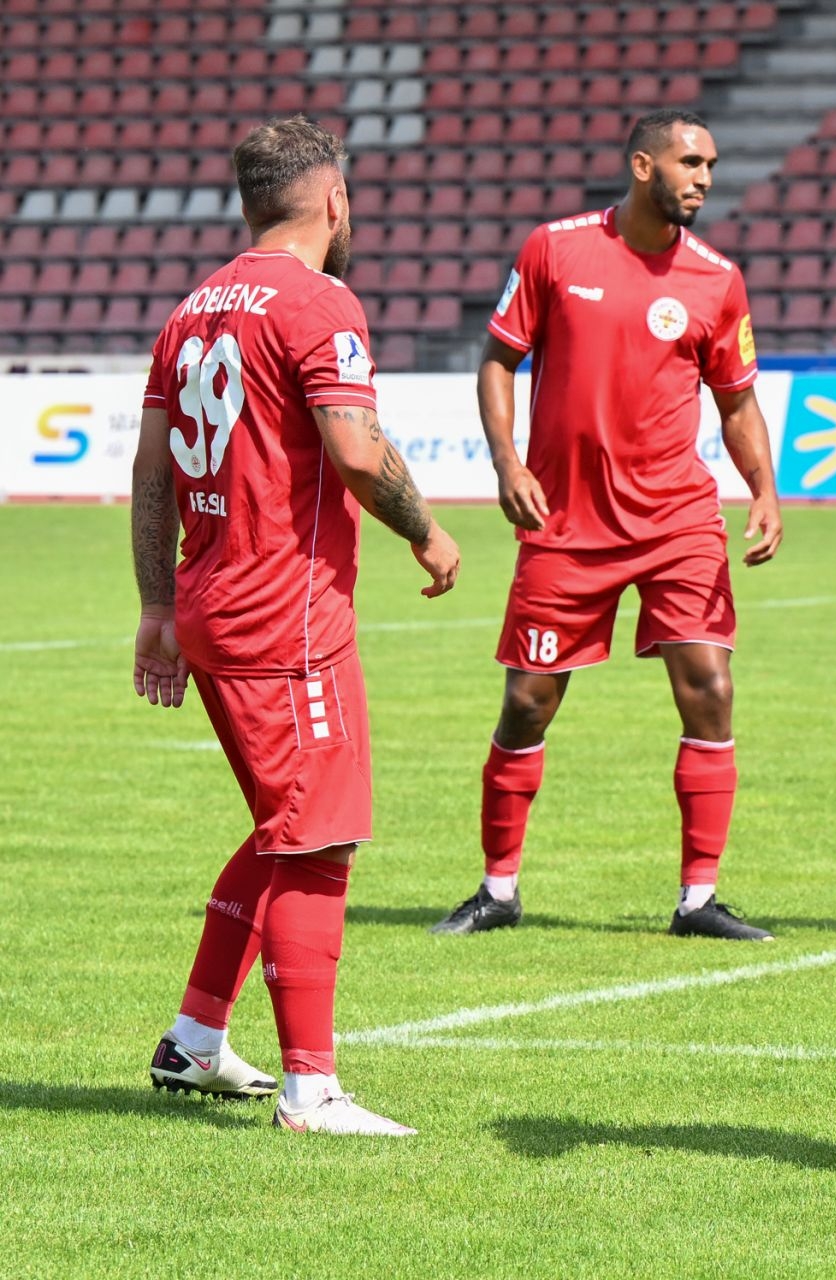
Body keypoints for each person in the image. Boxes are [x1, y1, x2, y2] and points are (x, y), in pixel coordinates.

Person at [134, 116, 461, 1136]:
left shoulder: (191, 311)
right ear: (333, 199)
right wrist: (428, 531)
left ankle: (195, 1038)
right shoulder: (320, 302)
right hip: (287, 618)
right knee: (319, 836)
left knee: (283, 824)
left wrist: (156, 605)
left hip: (213, 603)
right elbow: (356, 451)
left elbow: (149, 474)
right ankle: (311, 1089)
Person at [429, 110, 783, 941]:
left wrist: (764, 490)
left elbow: (737, 403)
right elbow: (498, 360)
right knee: (528, 703)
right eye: (689, 162)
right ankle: (498, 890)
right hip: (566, 519)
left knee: (711, 688)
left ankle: (698, 900)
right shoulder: (554, 250)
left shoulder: (716, 279)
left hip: (677, 519)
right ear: (642, 165)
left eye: (711, 164)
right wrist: (507, 464)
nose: (703, 177)